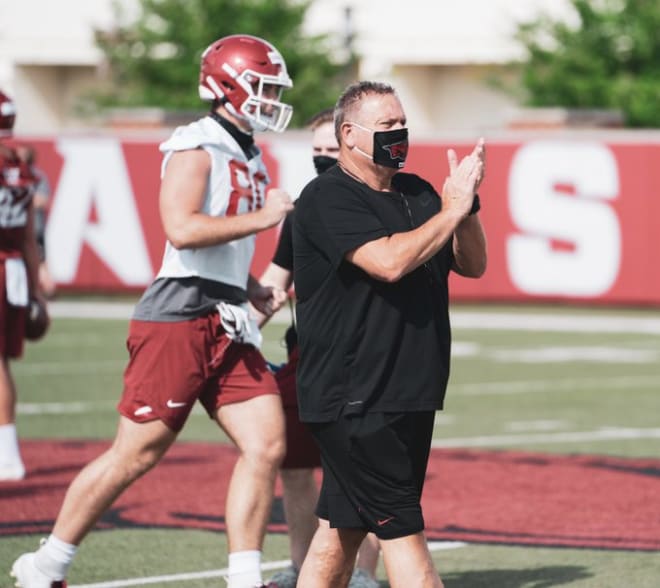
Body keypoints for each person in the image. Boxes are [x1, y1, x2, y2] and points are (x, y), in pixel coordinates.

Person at [10, 34, 296, 588]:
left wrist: (249, 284)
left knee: (266, 444)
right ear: (226, 85)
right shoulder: (197, 145)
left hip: (227, 313)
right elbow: (183, 230)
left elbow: (219, 244)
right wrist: (264, 219)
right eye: (259, 86)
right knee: (136, 454)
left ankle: (243, 578)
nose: (268, 99)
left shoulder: (246, 149)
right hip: (180, 315)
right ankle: (46, 565)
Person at [292, 81, 487, 588]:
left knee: (342, 532)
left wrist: (464, 209)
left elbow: (474, 264)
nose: (399, 133)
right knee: (404, 534)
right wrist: (450, 210)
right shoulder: (326, 197)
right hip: (355, 398)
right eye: (386, 126)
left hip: (408, 392)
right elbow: (388, 262)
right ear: (350, 136)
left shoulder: (419, 191)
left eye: (402, 123)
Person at [254, 109, 380, 588]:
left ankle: (363, 574)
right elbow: (276, 279)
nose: (324, 159)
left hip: (364, 356)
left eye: (333, 150)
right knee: (295, 465)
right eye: (318, 151)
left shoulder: (377, 201)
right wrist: (242, 324)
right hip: (308, 354)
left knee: (358, 470)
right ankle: (301, 565)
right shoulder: (308, 205)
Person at [0, 90, 44, 482]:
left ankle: (8, 456)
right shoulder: (19, 163)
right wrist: (37, 293)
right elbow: (29, 237)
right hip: (12, 268)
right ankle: (7, 451)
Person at [15, 144, 57, 299]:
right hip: (18, 226)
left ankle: (48, 290)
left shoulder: (36, 176)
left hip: (34, 226)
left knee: (40, 259)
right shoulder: (13, 176)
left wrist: (20, 201)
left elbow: (42, 199)